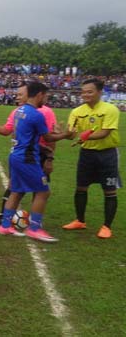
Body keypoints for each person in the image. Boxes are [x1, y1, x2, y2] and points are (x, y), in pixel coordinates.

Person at [0, 81, 72, 242]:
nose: (46, 100)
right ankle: (34, 228)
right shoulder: (36, 114)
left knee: (17, 191)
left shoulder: (19, 111)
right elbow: (48, 137)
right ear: (39, 95)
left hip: (16, 155)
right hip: (27, 158)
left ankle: (5, 225)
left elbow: (25, 135)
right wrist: (66, 135)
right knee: (43, 191)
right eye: (45, 96)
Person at [0, 84, 57, 225]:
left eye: (20, 94)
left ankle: (25, 220)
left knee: (35, 189)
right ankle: (27, 224)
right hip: (27, 155)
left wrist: (50, 158)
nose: (17, 97)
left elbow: (50, 136)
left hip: (39, 154)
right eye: (17, 94)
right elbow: (6, 130)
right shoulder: (18, 111)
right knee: (23, 188)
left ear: (30, 94)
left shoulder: (46, 112)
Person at [63, 79, 121, 239]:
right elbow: (71, 133)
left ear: (100, 92)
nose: (85, 95)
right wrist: (64, 133)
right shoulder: (76, 111)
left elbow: (105, 132)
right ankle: (80, 220)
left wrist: (84, 136)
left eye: (89, 91)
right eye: (83, 92)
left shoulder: (110, 109)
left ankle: (106, 226)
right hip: (87, 154)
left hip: (107, 153)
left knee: (109, 190)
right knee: (81, 187)